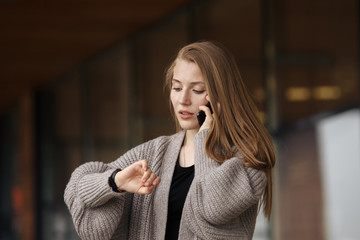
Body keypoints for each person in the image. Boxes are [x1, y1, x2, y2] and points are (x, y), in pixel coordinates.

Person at [64, 40, 276, 240]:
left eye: (197, 90)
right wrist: (115, 182)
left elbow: (212, 206)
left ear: (220, 96)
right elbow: (77, 188)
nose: (183, 99)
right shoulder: (155, 152)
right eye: (176, 88)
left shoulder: (248, 160)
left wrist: (205, 136)